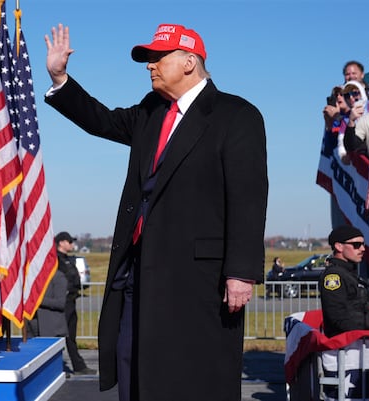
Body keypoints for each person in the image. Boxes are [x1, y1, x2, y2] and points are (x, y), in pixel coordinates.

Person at [44, 23, 268, 401]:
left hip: (201, 278)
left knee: (193, 373)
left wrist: (241, 272)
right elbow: (103, 120)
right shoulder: (151, 112)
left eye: (158, 57)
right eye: (148, 58)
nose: (150, 65)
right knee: (136, 367)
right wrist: (61, 78)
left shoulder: (236, 115)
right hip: (139, 271)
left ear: (189, 62)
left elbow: (248, 197)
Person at [54, 231, 96, 376]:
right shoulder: (55, 260)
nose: (72, 244)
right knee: (58, 337)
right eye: (69, 242)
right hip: (61, 303)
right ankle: (55, 369)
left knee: (71, 337)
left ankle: (78, 366)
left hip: (71, 301)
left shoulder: (69, 260)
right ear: (61, 243)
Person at [26, 268, 68, 338]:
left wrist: (38, 300)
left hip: (52, 330)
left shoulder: (57, 276)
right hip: (32, 328)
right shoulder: (31, 277)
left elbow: (60, 303)